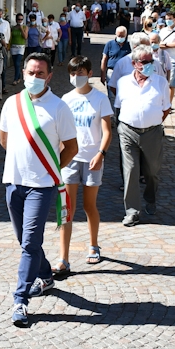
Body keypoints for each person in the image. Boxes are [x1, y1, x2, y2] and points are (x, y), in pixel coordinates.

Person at [0, 53, 78, 327]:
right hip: (13, 182)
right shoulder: (12, 103)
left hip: (42, 187)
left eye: (40, 74)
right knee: (26, 242)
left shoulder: (59, 107)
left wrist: (50, 170)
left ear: (49, 76)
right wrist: (22, 165)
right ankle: (45, 275)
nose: (35, 78)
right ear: (23, 73)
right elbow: (4, 139)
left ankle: (20, 299)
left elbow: (72, 147)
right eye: (31, 73)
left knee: (30, 243)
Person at [54, 57, 113, 276]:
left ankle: (94, 245)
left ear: (89, 73)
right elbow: (59, 131)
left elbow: (107, 131)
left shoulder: (100, 99)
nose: (76, 77)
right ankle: (63, 258)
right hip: (70, 160)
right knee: (66, 209)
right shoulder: (65, 99)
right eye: (72, 73)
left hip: (92, 159)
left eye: (80, 72)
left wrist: (101, 154)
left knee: (90, 206)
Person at [114, 45, 171, 227]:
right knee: (130, 171)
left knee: (152, 171)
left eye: (151, 62)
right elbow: (119, 105)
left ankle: (151, 198)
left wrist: (151, 120)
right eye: (145, 62)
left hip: (152, 132)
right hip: (128, 131)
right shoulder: (123, 82)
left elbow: (166, 108)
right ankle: (132, 211)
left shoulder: (160, 82)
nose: (149, 65)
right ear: (134, 63)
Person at [159, 11, 175, 106]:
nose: (168, 21)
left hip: (174, 60)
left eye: (170, 19)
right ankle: (162, 103)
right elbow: (159, 44)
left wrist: (165, 45)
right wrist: (166, 45)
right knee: (162, 83)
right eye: (166, 19)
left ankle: (168, 105)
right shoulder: (163, 31)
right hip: (162, 60)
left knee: (171, 84)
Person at [10, 14, 28, 86]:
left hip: (21, 47)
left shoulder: (25, 27)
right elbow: (11, 37)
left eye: (21, 19)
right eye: (18, 19)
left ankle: (15, 79)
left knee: (17, 63)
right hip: (13, 47)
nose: (20, 21)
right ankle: (19, 76)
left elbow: (25, 37)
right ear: (16, 20)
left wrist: (21, 29)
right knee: (15, 64)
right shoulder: (13, 28)